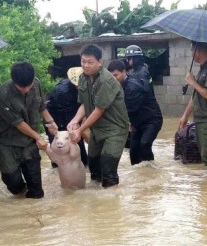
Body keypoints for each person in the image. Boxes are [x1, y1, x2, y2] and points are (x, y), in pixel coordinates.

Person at [67, 44, 129, 188]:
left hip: (115, 130)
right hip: (97, 129)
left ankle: (111, 204)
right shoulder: (83, 78)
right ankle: (96, 204)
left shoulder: (106, 81)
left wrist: (79, 130)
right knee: (94, 169)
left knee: (108, 170)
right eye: (83, 61)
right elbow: (84, 104)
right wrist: (75, 120)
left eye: (90, 62)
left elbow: (98, 110)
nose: (86, 65)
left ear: (100, 62)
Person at [0, 62, 58, 199]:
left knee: (36, 190)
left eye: (28, 86)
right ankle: (20, 194)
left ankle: (32, 208)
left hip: (30, 141)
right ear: (14, 82)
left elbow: (41, 106)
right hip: (8, 141)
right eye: (21, 87)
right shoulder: (3, 94)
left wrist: (50, 121)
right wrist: (39, 138)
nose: (26, 90)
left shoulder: (36, 84)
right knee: (13, 181)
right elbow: (18, 123)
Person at [108, 59, 163, 166]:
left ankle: (151, 170)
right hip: (137, 123)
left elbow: (127, 110)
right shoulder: (117, 84)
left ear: (124, 72)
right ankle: (138, 175)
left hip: (151, 120)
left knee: (145, 144)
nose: (113, 79)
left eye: (116, 75)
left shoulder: (132, 87)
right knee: (133, 151)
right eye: (111, 76)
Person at [179, 41, 207, 178]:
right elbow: (196, 96)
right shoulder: (204, 68)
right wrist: (185, 116)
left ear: (198, 51)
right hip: (203, 121)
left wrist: (193, 82)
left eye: (192, 51)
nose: (191, 54)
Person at [45, 70, 88, 167]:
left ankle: (83, 165)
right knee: (60, 145)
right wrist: (78, 128)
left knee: (77, 145)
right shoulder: (63, 91)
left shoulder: (81, 89)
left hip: (70, 114)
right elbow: (70, 116)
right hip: (56, 119)